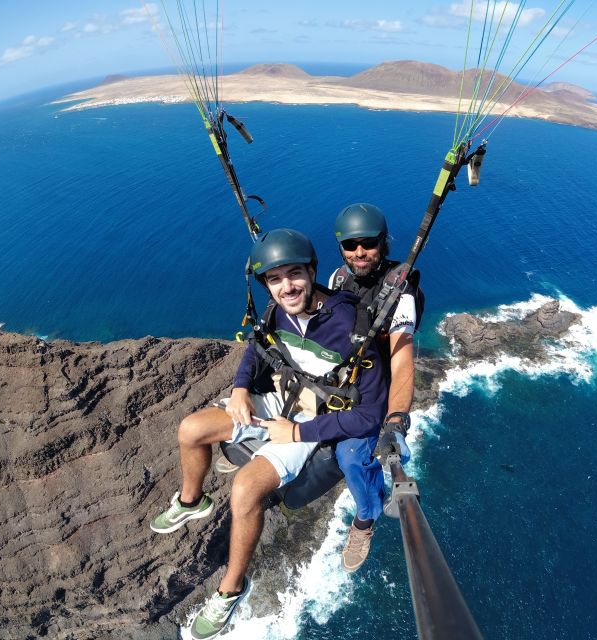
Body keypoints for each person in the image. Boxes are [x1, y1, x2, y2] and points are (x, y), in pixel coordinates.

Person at [149, 228, 386, 639]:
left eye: (294, 275)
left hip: (311, 423)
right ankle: (192, 500)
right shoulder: (279, 313)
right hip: (282, 403)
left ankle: (230, 590)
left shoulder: (350, 328)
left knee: (244, 490)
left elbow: (369, 415)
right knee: (192, 429)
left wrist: (297, 432)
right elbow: (257, 347)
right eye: (274, 280)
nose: (286, 287)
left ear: (312, 273)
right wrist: (241, 388)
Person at [330, 203, 421, 570]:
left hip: (378, 389)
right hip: (346, 378)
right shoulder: (338, 280)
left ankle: (364, 520)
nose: (359, 252)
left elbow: (401, 358)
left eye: (368, 243)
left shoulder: (401, 292)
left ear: (382, 243)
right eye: (350, 245)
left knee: (351, 457)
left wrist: (396, 419)